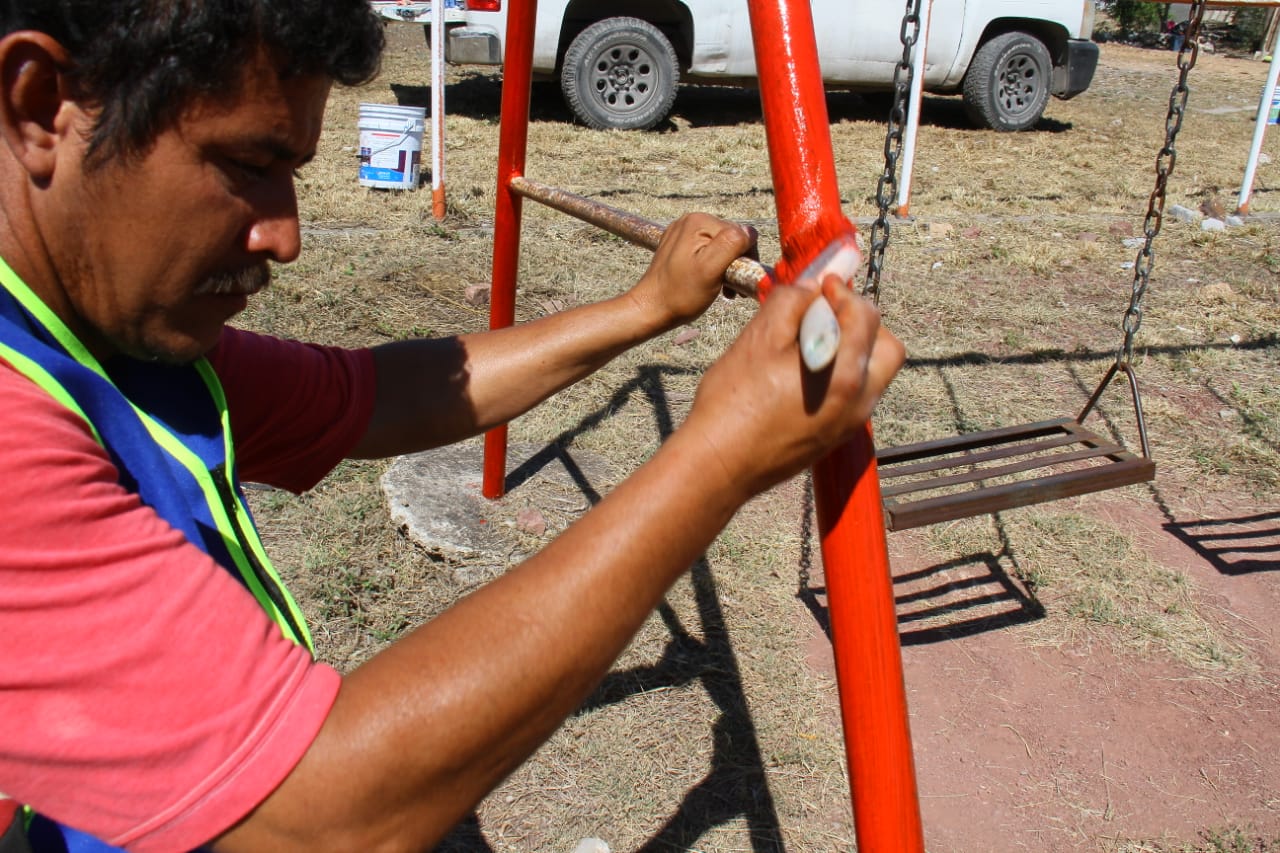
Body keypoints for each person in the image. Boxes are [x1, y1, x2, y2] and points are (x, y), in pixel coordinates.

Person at [0, 1, 904, 851]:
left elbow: (372, 394)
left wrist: (644, 308)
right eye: (246, 164)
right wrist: (718, 458)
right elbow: (325, 817)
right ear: (42, 107)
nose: (286, 236)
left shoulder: (103, 332)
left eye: (294, 173)